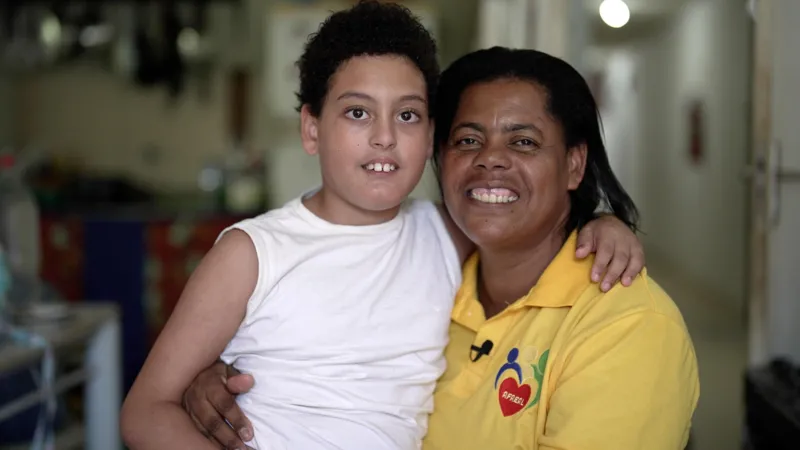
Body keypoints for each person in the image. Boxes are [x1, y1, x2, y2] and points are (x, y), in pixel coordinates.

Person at [123, 3, 647, 450]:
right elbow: (145, 411)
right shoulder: (253, 252)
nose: (384, 138)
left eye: (408, 115)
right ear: (312, 128)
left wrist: (599, 223)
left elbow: (527, 224)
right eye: (356, 113)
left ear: (431, 135)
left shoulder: (446, 232)